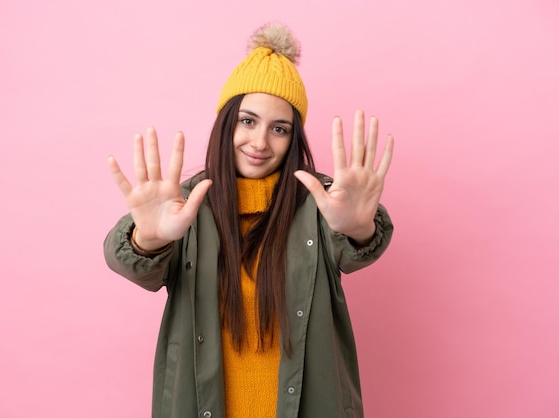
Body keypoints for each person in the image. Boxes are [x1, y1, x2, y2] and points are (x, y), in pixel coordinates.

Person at [104, 22, 394, 418]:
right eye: (248, 121)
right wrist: (149, 239)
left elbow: (357, 247)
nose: (260, 142)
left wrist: (358, 227)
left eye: (279, 129)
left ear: (294, 140)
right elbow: (133, 266)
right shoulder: (184, 205)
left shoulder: (321, 204)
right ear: (226, 123)